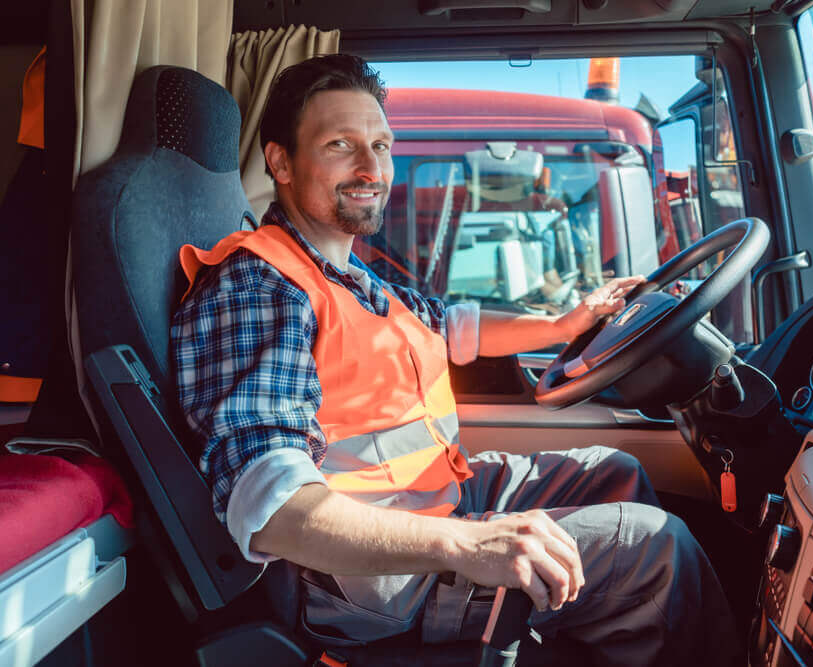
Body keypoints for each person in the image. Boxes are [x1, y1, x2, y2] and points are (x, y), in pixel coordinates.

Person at [170, 54, 736, 665]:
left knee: (614, 471)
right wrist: (465, 542)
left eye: (381, 145)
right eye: (341, 145)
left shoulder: (345, 274)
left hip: (429, 498)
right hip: (365, 585)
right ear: (280, 162)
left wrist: (562, 322)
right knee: (656, 549)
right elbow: (272, 509)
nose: (371, 168)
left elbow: (449, 325)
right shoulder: (263, 285)